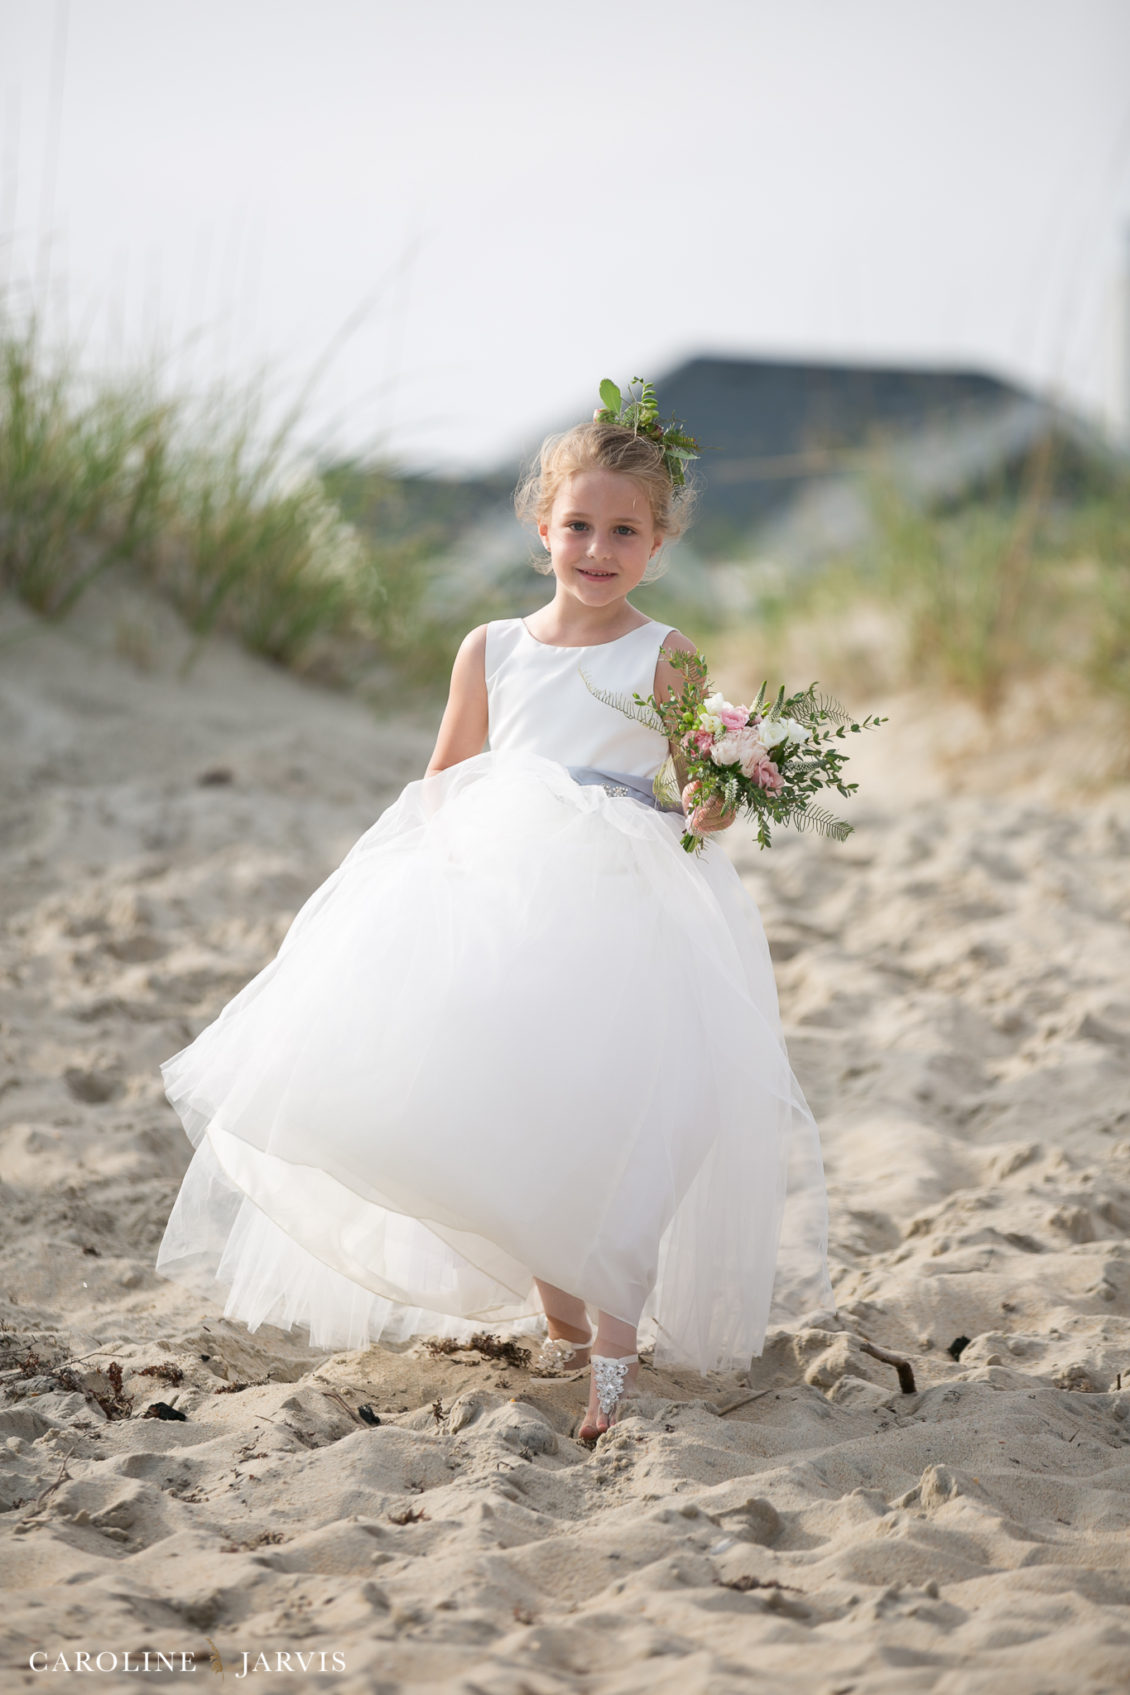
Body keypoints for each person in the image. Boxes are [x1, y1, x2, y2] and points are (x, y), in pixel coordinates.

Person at [155, 397, 833, 1441]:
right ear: (539, 528)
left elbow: (694, 792)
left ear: (658, 543)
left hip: (623, 908)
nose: (596, 549)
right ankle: (561, 1314)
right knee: (514, 1106)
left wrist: (728, 784)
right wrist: (441, 880)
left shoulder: (664, 654)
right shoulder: (491, 648)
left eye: (623, 531)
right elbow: (446, 775)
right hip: (502, 899)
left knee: (627, 1112)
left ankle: (613, 1354)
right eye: (577, 526)